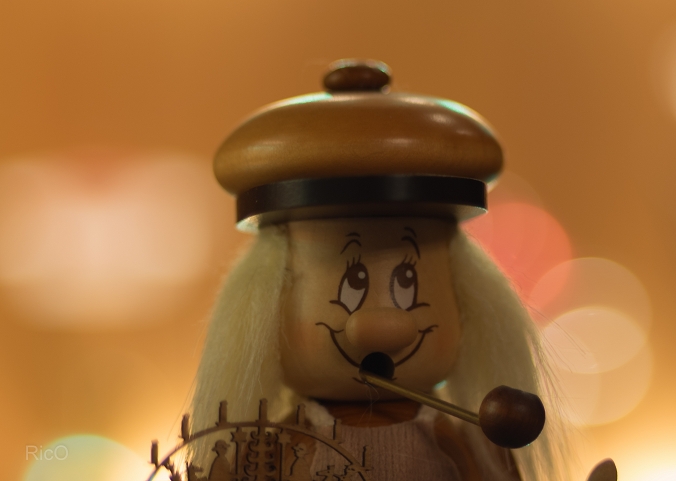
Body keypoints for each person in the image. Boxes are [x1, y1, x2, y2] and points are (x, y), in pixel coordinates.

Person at [187, 60, 568, 481]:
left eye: (406, 282)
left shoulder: (450, 440)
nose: (385, 326)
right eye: (352, 285)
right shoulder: (286, 445)